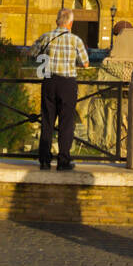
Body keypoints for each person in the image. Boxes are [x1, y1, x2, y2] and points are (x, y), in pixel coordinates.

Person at [30, 9, 89, 171]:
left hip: (49, 81)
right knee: (66, 123)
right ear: (70, 23)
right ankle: (63, 160)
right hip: (67, 83)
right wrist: (71, 62)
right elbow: (85, 63)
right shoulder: (75, 40)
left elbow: (32, 53)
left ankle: (44, 160)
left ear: (57, 21)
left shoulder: (46, 37)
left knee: (47, 121)